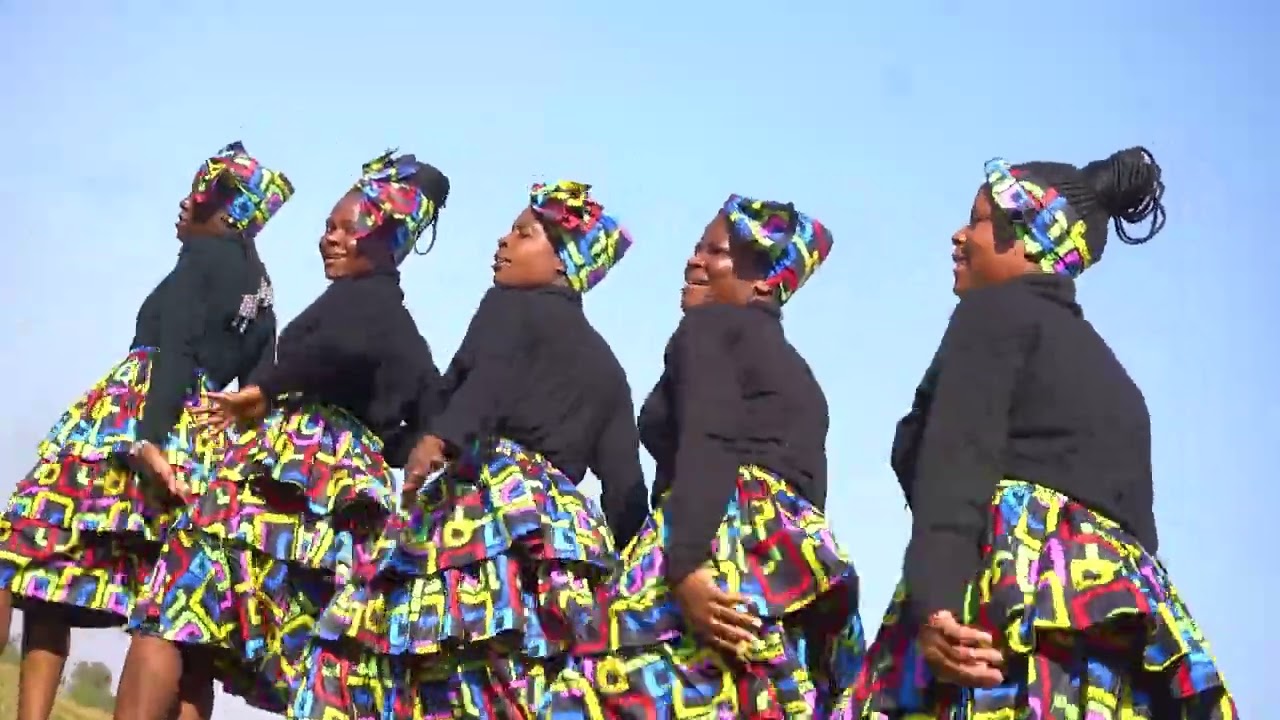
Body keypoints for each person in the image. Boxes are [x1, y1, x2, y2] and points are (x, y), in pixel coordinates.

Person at [845, 148, 1239, 719]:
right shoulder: (1117, 382)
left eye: (978, 220)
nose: (959, 236)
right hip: (1103, 638)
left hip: (1006, 613)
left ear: (1029, 238)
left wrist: (936, 604)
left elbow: (954, 466)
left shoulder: (994, 313)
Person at [112, 150, 449, 720]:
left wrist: (264, 391)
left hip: (278, 480)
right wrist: (404, 451)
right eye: (327, 226)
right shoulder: (406, 334)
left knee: (172, 615)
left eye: (347, 229)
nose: (330, 239)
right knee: (205, 644)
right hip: (334, 509)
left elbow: (336, 350)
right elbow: (420, 414)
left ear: (386, 240)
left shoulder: (363, 308)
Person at [297, 180, 649, 720]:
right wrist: (638, 577)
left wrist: (435, 439)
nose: (503, 242)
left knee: (392, 666)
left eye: (524, 234)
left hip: (485, 518)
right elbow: (626, 489)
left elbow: (484, 384)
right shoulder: (610, 369)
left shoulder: (509, 306)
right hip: (557, 541)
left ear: (563, 264)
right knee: (524, 689)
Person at [0, 141, 291, 720]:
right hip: (201, 448)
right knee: (172, 616)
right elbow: (259, 391)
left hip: (134, 423)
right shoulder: (262, 293)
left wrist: (150, 436)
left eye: (200, 194)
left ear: (230, 212)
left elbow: (176, 350)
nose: (185, 204)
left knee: (21, 555)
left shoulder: (203, 260)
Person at [542, 195, 864, 718]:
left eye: (717, 252)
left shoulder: (708, 329)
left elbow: (709, 440)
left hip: (711, 538)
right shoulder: (793, 370)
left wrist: (687, 566)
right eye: (697, 248)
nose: (695, 261)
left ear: (765, 282)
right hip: (771, 567)